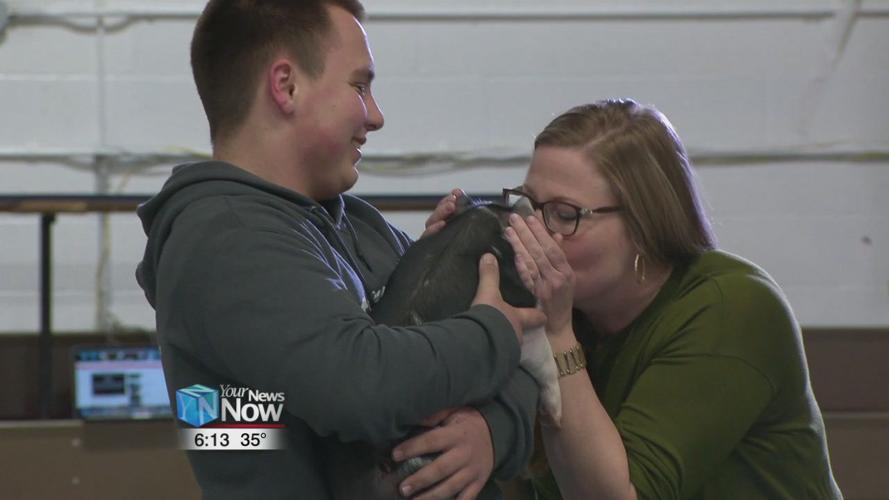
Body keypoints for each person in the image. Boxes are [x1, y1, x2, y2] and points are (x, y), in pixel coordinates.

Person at [135, 1, 543, 499]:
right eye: (359, 86)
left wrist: (490, 432)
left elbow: (522, 367)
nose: (375, 115)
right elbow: (363, 386)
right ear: (285, 86)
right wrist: (496, 329)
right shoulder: (221, 240)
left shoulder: (356, 225)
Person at [503, 99, 844, 499]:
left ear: (643, 224)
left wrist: (557, 333)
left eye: (565, 214)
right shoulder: (572, 309)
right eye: (528, 204)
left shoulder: (731, 307)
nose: (534, 232)